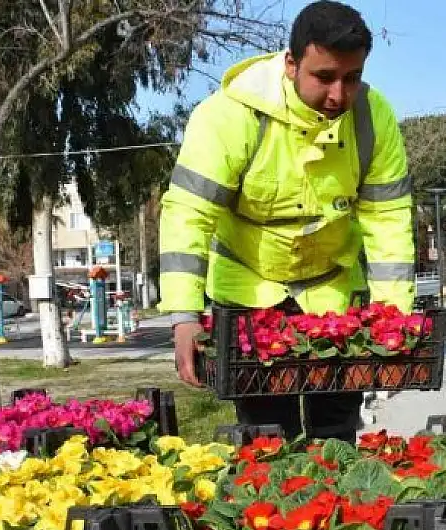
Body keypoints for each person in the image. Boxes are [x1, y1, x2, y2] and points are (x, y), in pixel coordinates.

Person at [158, 0, 415, 443]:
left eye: (352, 78)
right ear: (291, 64)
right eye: (324, 77)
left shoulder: (374, 118)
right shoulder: (229, 115)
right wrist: (184, 316)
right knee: (267, 435)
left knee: (337, 432)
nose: (339, 95)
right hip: (249, 290)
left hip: (333, 292)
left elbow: (389, 220)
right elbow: (188, 214)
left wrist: (393, 319)